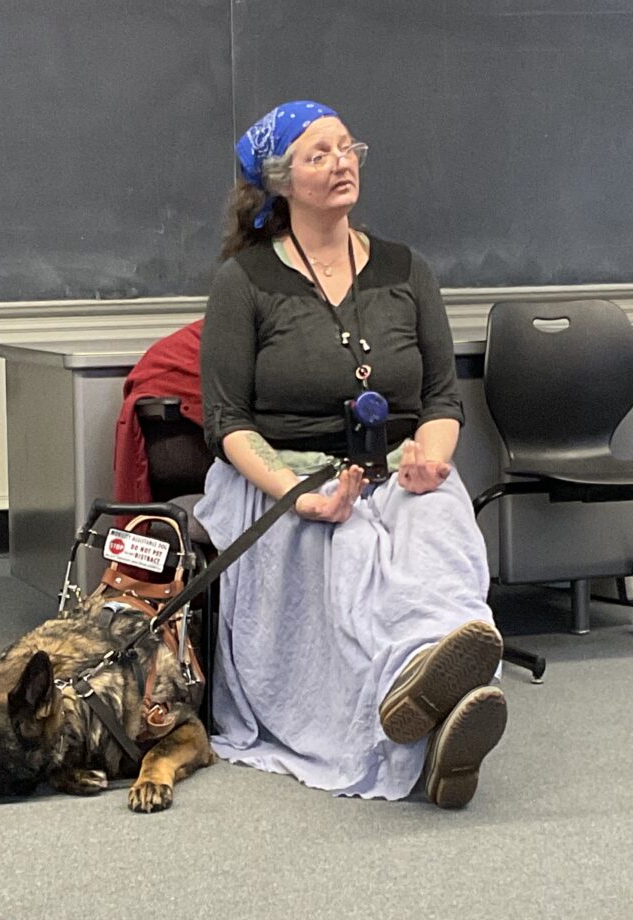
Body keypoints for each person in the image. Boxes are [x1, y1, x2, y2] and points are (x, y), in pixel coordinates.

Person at [194, 100, 507, 809]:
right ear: (279, 182)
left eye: (347, 147)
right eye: (318, 154)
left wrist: (430, 457)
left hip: (398, 463)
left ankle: (430, 672)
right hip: (287, 474)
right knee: (353, 548)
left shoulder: (405, 268)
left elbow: (439, 398)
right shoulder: (244, 281)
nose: (342, 162)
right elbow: (228, 423)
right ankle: (429, 699)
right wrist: (297, 494)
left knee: (439, 532)